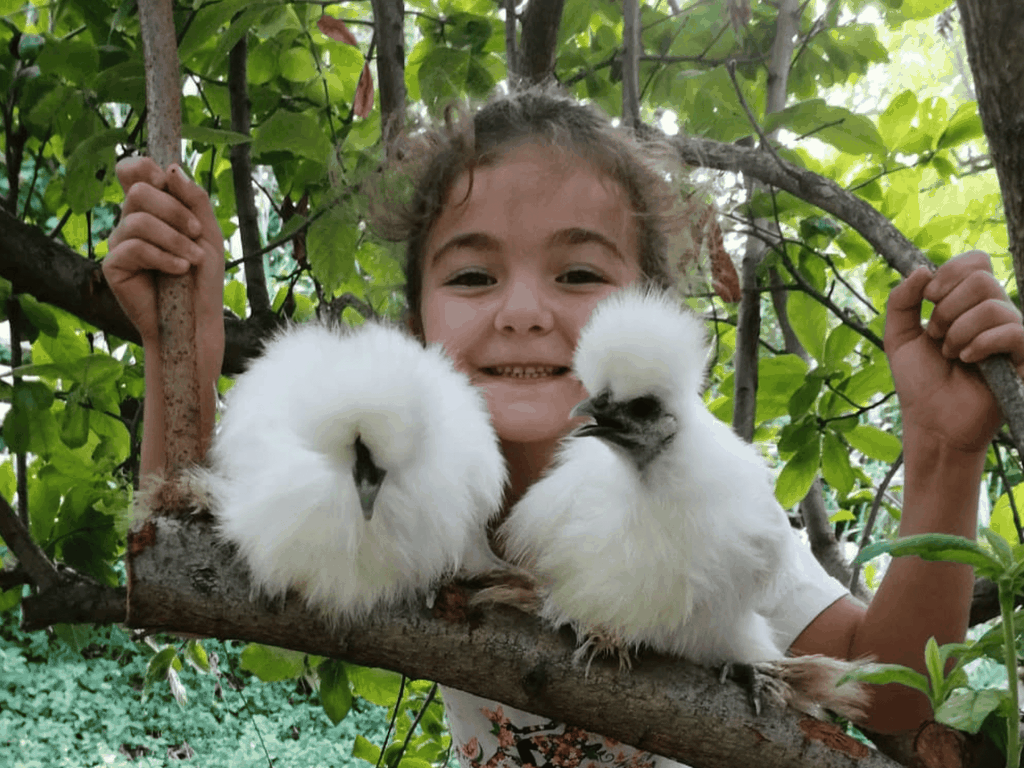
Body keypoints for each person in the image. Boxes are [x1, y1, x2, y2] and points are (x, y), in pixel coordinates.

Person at [103, 88, 1024, 761]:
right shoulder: (386, 490)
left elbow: (889, 696)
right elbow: (191, 572)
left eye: (579, 275)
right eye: (473, 277)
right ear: (416, 325)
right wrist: (181, 355)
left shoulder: (694, 497)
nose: (523, 313)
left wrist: (945, 451)